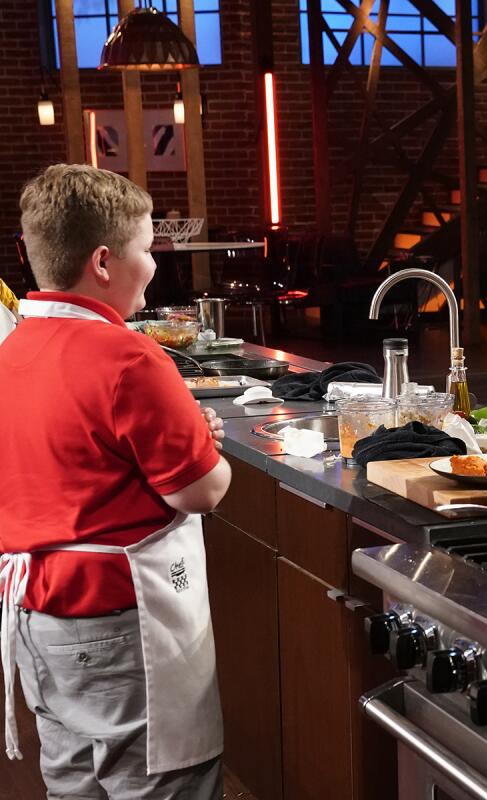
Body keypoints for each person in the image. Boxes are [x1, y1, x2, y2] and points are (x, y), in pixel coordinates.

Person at [0, 164, 230, 796]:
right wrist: (200, 434)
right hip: (118, 620)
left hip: (34, 616)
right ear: (104, 261)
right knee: (161, 784)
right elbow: (203, 490)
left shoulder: (10, 350)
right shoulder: (130, 356)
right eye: (147, 248)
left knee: (75, 785)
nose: (154, 265)